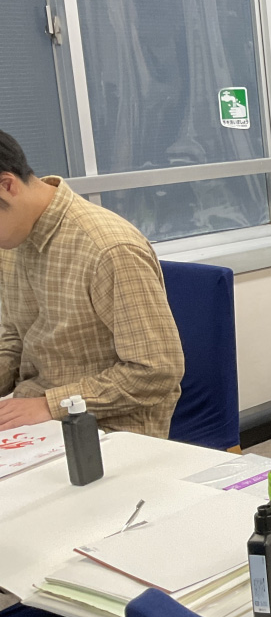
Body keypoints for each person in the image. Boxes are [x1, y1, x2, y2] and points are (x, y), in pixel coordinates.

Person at [0, 130, 184, 438]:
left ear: (7, 186)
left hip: (110, 428)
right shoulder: (13, 239)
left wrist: (51, 405)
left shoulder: (107, 249)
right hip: (36, 420)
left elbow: (157, 370)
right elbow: (15, 340)